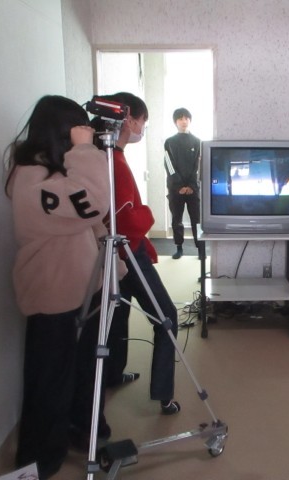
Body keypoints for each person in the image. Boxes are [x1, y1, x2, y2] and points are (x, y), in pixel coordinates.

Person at [5, 95, 111, 478]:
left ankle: (81, 431)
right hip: (53, 296)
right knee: (49, 382)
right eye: (77, 130)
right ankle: (39, 462)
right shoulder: (31, 179)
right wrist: (84, 150)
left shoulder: (53, 173)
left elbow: (90, 221)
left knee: (81, 372)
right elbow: (94, 202)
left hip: (82, 290)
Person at [91, 92, 181, 416]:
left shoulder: (102, 156)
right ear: (128, 119)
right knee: (166, 317)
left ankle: (114, 374)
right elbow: (127, 221)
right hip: (128, 252)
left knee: (117, 315)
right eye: (143, 121)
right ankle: (164, 396)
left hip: (113, 254)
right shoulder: (114, 162)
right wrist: (149, 214)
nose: (142, 128)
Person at [164, 107, 202, 259]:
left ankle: (201, 249)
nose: (184, 121)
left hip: (193, 188)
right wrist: (179, 186)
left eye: (186, 118)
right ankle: (179, 248)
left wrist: (191, 186)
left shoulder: (197, 142)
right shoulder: (169, 142)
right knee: (176, 219)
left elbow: (198, 165)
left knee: (196, 220)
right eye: (180, 118)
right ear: (175, 122)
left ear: (190, 120)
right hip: (175, 189)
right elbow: (169, 164)